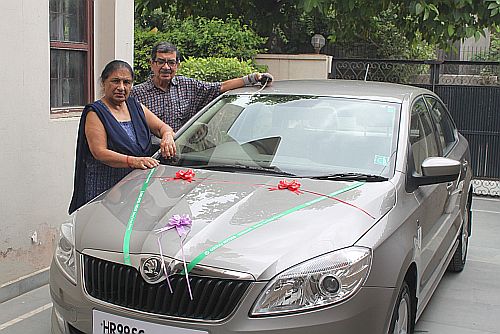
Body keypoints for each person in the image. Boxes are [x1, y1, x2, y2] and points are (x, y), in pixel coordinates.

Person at [68, 60, 176, 214]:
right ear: (104, 82)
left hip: (133, 185)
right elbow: (99, 152)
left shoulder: (135, 106)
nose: (121, 87)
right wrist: (134, 161)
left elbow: (162, 127)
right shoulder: (96, 112)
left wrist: (167, 136)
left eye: (127, 82)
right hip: (105, 187)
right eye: (115, 81)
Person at [131, 41, 273, 132]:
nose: (166, 67)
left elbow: (220, 87)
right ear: (152, 64)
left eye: (171, 63)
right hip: (151, 156)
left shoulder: (188, 86)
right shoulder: (136, 94)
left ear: (178, 65)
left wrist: (254, 78)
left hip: (184, 155)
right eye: (161, 62)